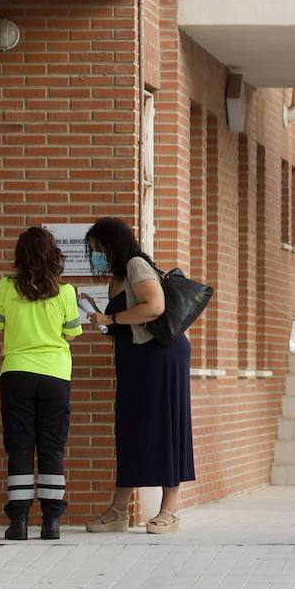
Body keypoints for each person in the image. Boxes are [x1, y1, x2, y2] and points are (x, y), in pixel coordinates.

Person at [82, 217, 196, 534]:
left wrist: (112, 317)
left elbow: (154, 307)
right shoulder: (119, 276)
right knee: (131, 428)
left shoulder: (136, 265)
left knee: (165, 426)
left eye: (98, 249)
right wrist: (104, 323)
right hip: (135, 359)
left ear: (113, 245)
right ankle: (119, 509)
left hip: (160, 357)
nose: (96, 256)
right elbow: (126, 321)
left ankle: (169, 510)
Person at [0, 227, 84, 540]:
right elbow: (71, 333)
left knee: (19, 446)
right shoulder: (66, 291)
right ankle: (51, 521)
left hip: (16, 372)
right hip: (55, 374)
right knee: (51, 447)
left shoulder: (6, 286)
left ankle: (18, 522)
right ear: (53, 255)